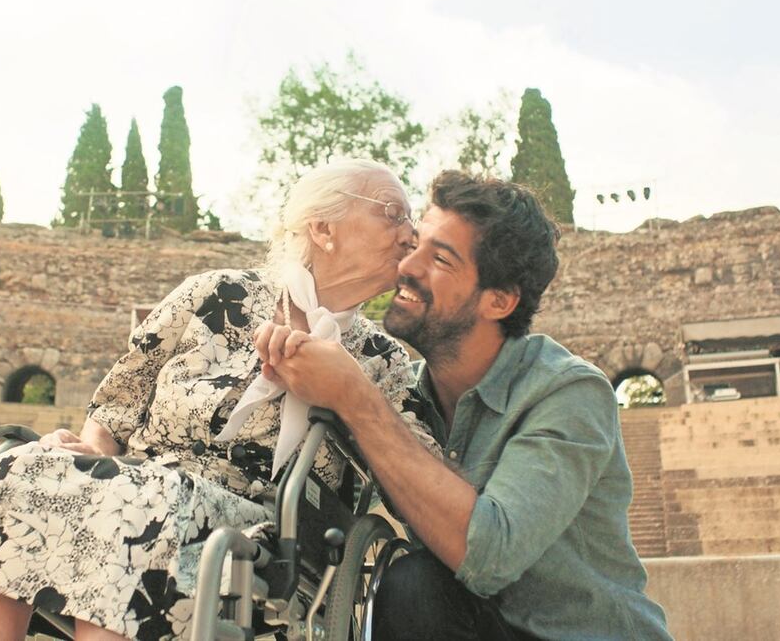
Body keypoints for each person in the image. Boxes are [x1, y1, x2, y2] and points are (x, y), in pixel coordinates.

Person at [0, 159, 439, 641]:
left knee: (144, 501)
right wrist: (92, 447)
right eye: (393, 215)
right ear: (323, 228)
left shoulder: (382, 360)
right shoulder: (215, 295)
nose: (410, 234)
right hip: (137, 485)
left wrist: (351, 390)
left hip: (261, 534)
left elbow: (416, 475)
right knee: (22, 466)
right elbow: (118, 403)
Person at [256, 170, 672, 640]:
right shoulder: (405, 395)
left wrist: (355, 397)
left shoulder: (569, 392)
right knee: (410, 583)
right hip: (469, 624)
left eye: (441, 258)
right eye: (415, 244)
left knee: (413, 584)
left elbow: (489, 556)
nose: (407, 265)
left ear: (498, 300)